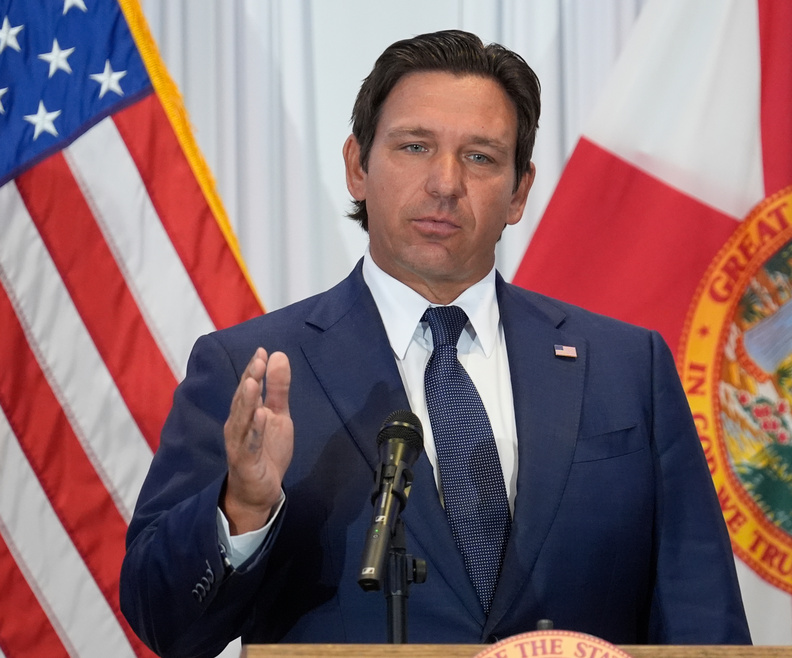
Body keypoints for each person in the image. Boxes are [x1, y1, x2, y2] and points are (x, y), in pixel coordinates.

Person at [120, 29, 751, 657]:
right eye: (415, 146)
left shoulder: (626, 367)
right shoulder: (249, 369)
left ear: (520, 191)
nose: (445, 182)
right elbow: (163, 621)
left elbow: (704, 621)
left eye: (480, 156)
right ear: (356, 167)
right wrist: (243, 508)